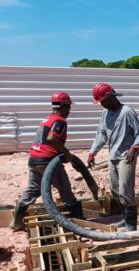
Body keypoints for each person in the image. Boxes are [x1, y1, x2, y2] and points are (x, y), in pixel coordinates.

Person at [10, 92, 84, 231]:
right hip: (48, 162)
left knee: (31, 192)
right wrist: (66, 153)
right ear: (63, 106)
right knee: (66, 192)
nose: (69, 111)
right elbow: (51, 138)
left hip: (34, 161)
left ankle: (16, 222)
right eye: (68, 107)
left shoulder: (46, 119)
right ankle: (81, 225)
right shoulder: (60, 121)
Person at [87, 83, 139, 232]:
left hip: (126, 157)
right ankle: (125, 219)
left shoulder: (127, 112)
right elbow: (101, 135)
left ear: (110, 97)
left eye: (102, 101)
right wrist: (92, 152)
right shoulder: (106, 114)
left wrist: (133, 149)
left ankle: (131, 225)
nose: (101, 105)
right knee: (114, 189)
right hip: (113, 157)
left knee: (125, 191)